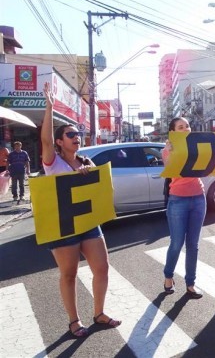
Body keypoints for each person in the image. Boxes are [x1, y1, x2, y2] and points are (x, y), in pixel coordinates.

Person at [40, 82, 121, 338]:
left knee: (102, 267)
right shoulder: (52, 163)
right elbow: (44, 139)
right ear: (59, 142)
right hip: (63, 226)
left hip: (89, 223)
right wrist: (49, 106)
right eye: (70, 135)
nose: (76, 138)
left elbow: (104, 192)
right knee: (69, 273)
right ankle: (74, 321)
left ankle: (99, 313)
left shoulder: (87, 161)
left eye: (78, 135)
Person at [162, 117, 205, 299]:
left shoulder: (198, 147)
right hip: (178, 200)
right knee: (176, 243)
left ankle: (190, 283)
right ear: (173, 132)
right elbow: (173, 168)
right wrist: (171, 150)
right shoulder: (167, 150)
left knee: (193, 245)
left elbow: (213, 161)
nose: (186, 128)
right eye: (181, 127)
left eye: (187, 125)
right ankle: (168, 276)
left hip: (198, 198)